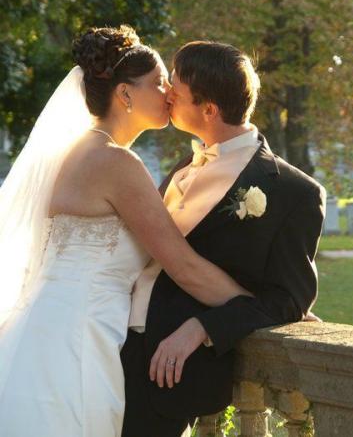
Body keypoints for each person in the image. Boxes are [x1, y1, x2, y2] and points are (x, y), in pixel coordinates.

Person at [0, 25, 250, 436]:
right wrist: (262, 307)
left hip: (39, 335)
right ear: (125, 95)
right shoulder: (116, 164)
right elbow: (182, 267)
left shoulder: (76, 151)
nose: (169, 92)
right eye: (158, 82)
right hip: (76, 346)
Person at [121, 40, 326, 437]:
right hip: (110, 343)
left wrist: (203, 326)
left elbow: (288, 300)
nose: (166, 92)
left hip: (166, 367)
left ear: (209, 109)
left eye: (175, 89)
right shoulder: (185, 164)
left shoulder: (294, 193)